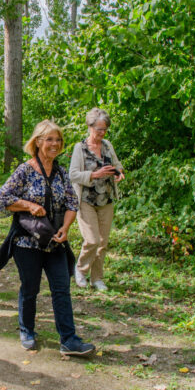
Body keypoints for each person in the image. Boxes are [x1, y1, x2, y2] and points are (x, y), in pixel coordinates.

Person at [0, 120, 96, 357]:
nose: (54, 144)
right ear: (37, 142)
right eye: (49, 139)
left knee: (61, 288)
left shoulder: (60, 171)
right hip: (27, 242)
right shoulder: (25, 170)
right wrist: (28, 205)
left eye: (57, 140)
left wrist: (66, 228)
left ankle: (69, 340)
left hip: (56, 241)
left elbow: (72, 202)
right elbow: (2, 199)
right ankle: (27, 330)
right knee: (30, 288)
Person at [69, 108, 124, 291]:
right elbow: (73, 175)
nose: (102, 133)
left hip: (106, 199)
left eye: (105, 129)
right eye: (99, 129)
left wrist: (119, 174)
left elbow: (117, 165)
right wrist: (94, 174)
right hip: (86, 199)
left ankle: (97, 278)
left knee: (103, 242)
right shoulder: (80, 148)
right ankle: (80, 270)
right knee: (92, 240)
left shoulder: (107, 145)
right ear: (90, 127)